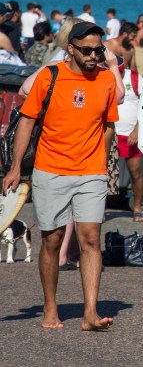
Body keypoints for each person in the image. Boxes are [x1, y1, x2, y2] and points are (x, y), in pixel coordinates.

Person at [1, 22, 119, 331]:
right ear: (71, 49)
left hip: (90, 172)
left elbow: (108, 125)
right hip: (50, 169)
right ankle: (50, 307)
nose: (95, 56)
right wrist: (15, 167)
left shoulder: (106, 80)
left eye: (99, 50)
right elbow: (26, 122)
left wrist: (102, 162)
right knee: (51, 240)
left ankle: (90, 313)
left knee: (91, 239)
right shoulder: (49, 76)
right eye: (88, 50)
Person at [116, 62, 143, 221]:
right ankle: (99, 209)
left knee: (136, 173)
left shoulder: (134, 78)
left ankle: (137, 207)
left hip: (131, 134)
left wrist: (137, 129)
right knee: (102, 174)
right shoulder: (105, 76)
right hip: (111, 135)